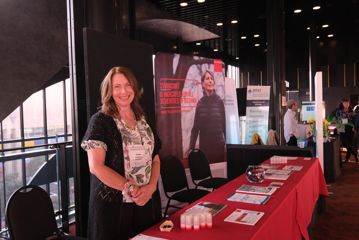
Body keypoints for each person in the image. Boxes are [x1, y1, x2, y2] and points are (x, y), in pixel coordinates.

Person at [81, 66, 162, 240]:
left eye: (127, 85)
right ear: (109, 91)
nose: (123, 91)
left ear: (134, 88)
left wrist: (151, 186)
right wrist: (130, 188)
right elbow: (96, 167)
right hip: (113, 207)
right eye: (117, 86)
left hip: (146, 202)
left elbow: (155, 159)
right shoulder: (100, 121)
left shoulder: (143, 120)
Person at [189, 70, 226, 163]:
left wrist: (228, 144)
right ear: (202, 84)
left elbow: (224, 125)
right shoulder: (200, 104)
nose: (210, 81)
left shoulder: (219, 101)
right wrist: (191, 148)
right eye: (207, 78)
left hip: (219, 148)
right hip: (205, 149)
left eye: (211, 79)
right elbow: (195, 128)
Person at [328, 98, 358, 163]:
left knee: (349, 144)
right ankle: (355, 155)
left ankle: (347, 159)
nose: (346, 104)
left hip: (350, 130)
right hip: (341, 129)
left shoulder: (351, 111)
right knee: (345, 144)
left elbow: (355, 120)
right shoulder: (338, 110)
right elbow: (330, 116)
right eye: (345, 103)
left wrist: (354, 127)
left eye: (347, 103)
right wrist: (328, 122)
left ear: (349, 103)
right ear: (342, 103)